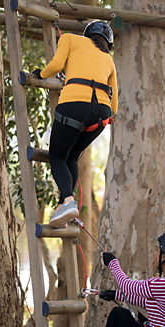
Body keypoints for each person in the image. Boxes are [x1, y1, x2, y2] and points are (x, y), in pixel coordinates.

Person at [32, 21, 118, 227]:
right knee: (71, 156)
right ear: (108, 43)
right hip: (100, 116)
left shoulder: (70, 38)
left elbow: (55, 66)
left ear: (87, 34)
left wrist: (39, 74)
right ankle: (64, 206)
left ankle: (68, 201)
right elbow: (114, 102)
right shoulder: (108, 59)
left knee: (57, 156)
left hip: (73, 104)